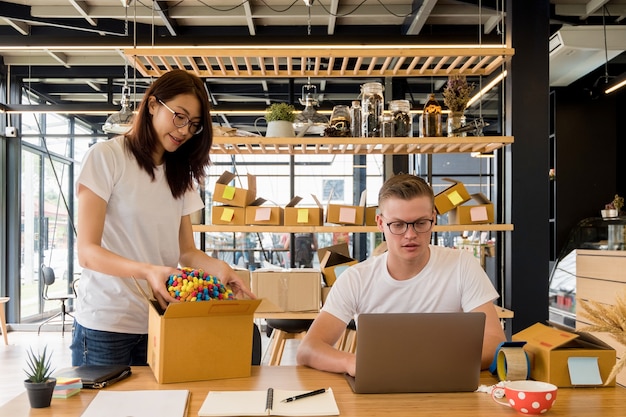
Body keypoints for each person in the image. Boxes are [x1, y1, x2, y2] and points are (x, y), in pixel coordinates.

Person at [72, 69, 255, 366]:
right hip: (106, 325)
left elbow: (187, 252)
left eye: (194, 125)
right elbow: (87, 253)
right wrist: (149, 271)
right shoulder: (106, 157)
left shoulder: (179, 174)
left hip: (162, 319)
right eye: (179, 116)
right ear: (154, 105)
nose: (184, 131)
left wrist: (220, 269)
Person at [296, 173, 505, 375]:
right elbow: (309, 349)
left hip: (446, 384)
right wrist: (352, 362)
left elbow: (494, 340)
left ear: (433, 219)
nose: (410, 235)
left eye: (421, 223)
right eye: (398, 225)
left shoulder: (462, 265)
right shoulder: (356, 279)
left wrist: (430, 366)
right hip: (378, 386)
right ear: (380, 223)